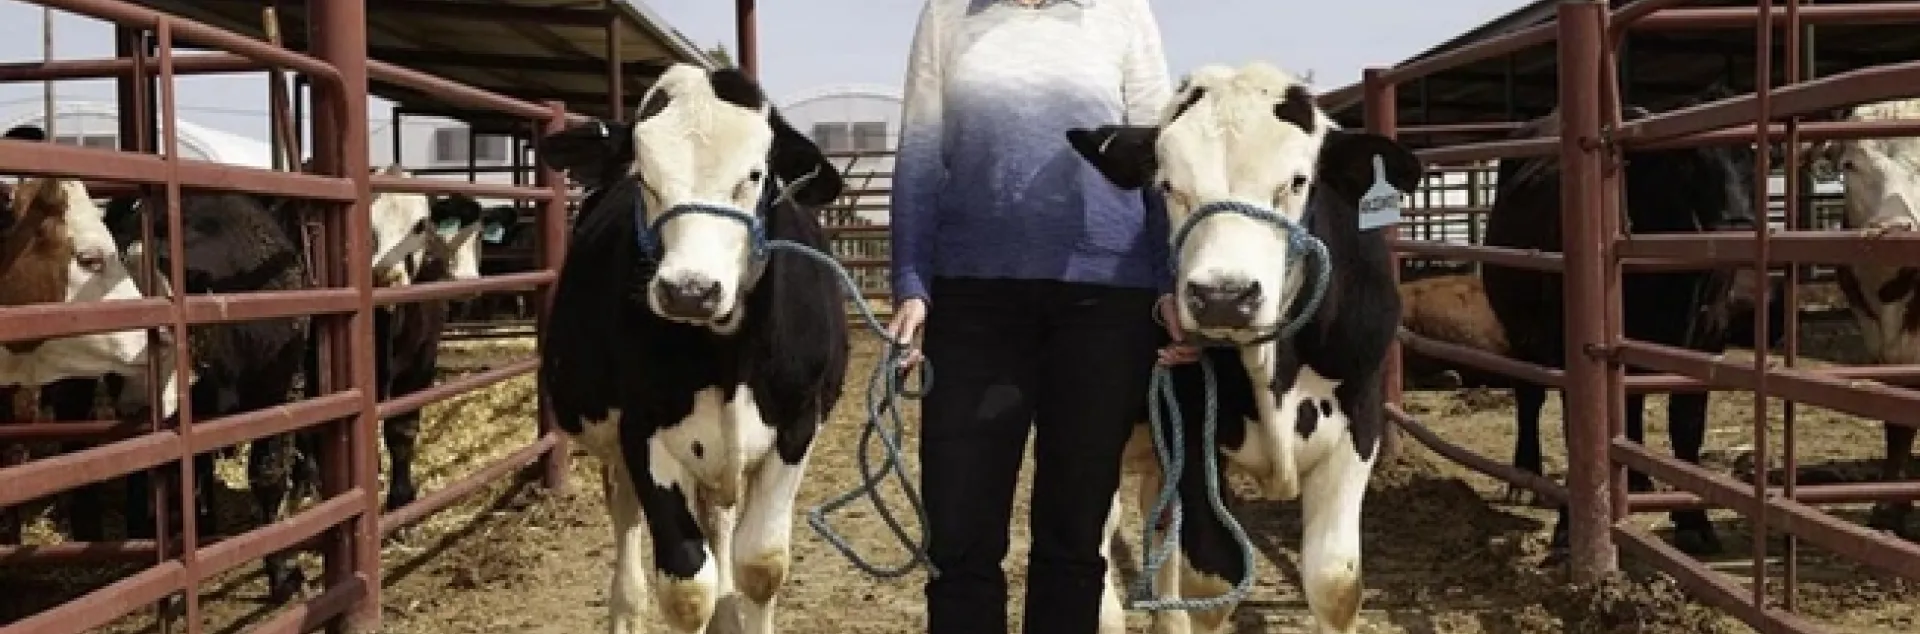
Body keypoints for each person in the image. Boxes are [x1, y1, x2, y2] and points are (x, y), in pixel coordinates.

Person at [886, 0, 1181, 632]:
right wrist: (912, 281)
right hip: (974, 300)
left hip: (1104, 301)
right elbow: (918, 152)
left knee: (1075, 530)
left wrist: (1168, 285)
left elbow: (1162, 157)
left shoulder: (1124, 13)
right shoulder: (946, 13)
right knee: (960, 527)